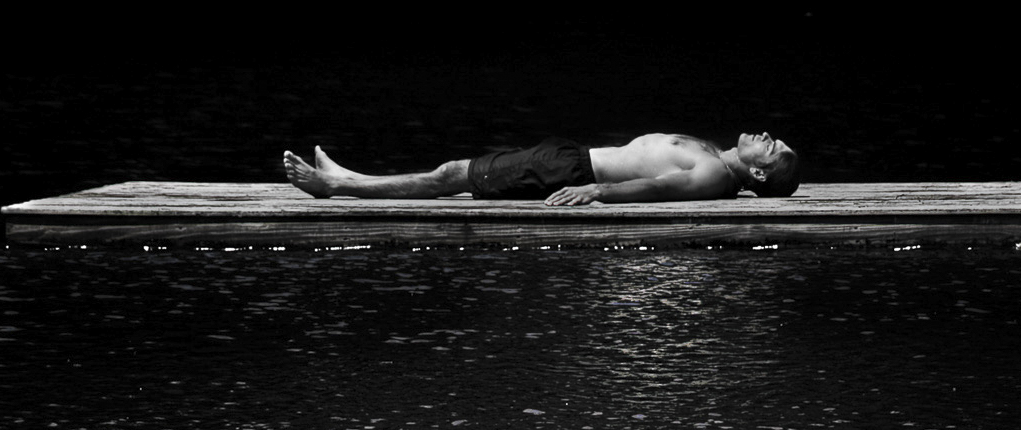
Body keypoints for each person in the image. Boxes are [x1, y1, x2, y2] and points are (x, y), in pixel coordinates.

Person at [282, 132, 799, 205]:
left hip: (568, 174)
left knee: (452, 175)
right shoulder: (717, 156)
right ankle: (347, 178)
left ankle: (336, 185)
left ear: (758, 174)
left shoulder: (715, 176)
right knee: (455, 171)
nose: (766, 137)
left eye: (772, 148)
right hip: (571, 159)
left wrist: (595, 192)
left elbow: (661, 187)